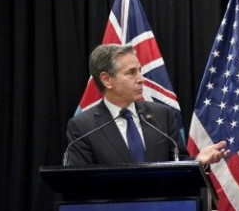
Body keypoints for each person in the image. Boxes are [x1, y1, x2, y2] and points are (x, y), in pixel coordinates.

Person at [66, 44, 228, 166]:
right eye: (131, 72)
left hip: (162, 209)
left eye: (139, 70)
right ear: (107, 80)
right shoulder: (83, 127)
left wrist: (198, 161)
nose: (141, 79)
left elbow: (178, 164)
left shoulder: (161, 115)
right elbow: (80, 183)